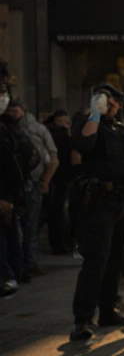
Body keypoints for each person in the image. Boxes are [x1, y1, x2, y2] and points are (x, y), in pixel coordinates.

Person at [67, 84, 124, 340]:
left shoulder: (122, 130)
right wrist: (95, 114)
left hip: (123, 202)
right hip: (99, 203)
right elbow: (84, 144)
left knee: (115, 261)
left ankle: (109, 309)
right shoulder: (88, 122)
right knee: (95, 260)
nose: (109, 104)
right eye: (102, 99)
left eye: (112, 101)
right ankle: (83, 319)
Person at [9, 98, 58, 279]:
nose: (13, 113)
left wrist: (45, 180)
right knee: (24, 227)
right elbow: (53, 158)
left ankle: (25, 263)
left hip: (29, 182)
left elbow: (53, 159)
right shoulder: (35, 129)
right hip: (25, 183)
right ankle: (25, 263)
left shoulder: (35, 130)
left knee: (25, 227)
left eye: (15, 110)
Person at [0, 69, 25, 296]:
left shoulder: (7, 129)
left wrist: (8, 195)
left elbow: (9, 165)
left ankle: (10, 274)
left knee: (9, 234)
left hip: (7, 194)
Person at [45, 110, 74, 255]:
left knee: (52, 212)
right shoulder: (64, 135)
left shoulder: (48, 132)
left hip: (50, 177)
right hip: (61, 177)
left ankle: (55, 242)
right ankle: (59, 244)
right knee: (59, 212)